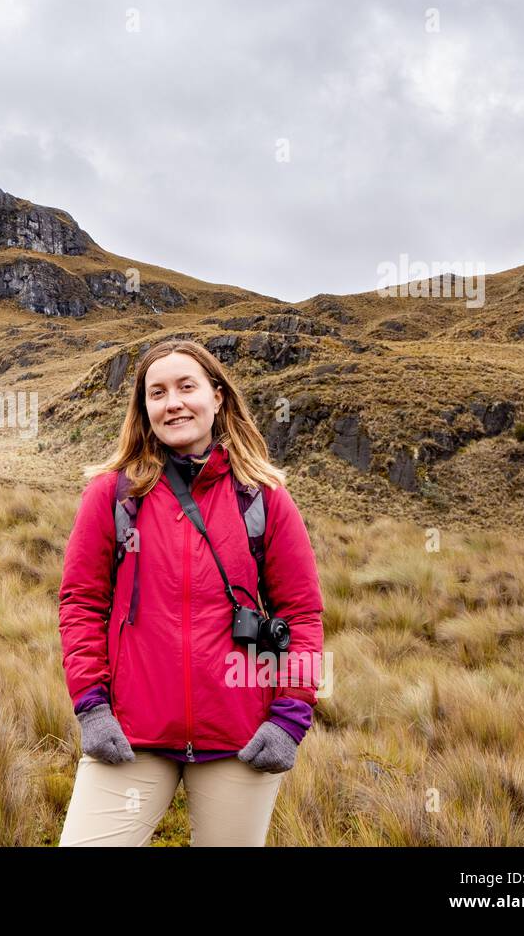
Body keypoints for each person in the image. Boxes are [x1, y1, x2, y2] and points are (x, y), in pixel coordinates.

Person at [56, 339, 325, 846]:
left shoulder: (263, 497)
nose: (172, 402)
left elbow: (302, 615)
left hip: (239, 737)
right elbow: (81, 604)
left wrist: (290, 718)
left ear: (217, 397)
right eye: (156, 392)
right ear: (144, 409)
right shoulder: (112, 494)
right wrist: (92, 707)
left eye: (186, 387)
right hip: (132, 734)